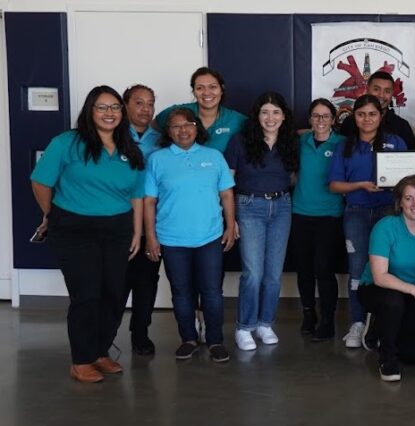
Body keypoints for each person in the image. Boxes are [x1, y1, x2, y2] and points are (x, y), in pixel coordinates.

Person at [30, 85, 146, 383]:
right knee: (87, 294)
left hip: (118, 228)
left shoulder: (128, 147)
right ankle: (81, 359)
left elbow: (136, 192)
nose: (110, 113)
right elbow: (41, 181)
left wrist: (136, 231)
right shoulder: (67, 142)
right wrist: (51, 214)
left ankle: (99, 352)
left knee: (114, 293)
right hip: (74, 229)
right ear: (89, 111)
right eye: (102, 107)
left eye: (115, 108)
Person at [143, 108, 236, 363]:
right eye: (175, 126)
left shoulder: (214, 156)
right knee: (181, 292)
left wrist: (230, 226)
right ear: (168, 131)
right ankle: (188, 338)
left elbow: (227, 194)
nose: (183, 130)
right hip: (171, 239)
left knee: (212, 292)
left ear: (197, 128)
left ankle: (215, 339)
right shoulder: (157, 160)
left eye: (188, 124)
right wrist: (150, 236)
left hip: (209, 236)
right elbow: (149, 201)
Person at [329, 94, 409, 348]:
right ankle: (357, 322)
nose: (366, 119)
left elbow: (409, 180)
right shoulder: (345, 146)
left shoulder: (396, 142)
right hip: (356, 211)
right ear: (354, 116)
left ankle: (382, 321)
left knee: (388, 268)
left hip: (389, 213)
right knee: (357, 267)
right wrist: (361, 185)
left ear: (381, 116)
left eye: (372, 114)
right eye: (361, 114)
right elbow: (334, 185)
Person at [225, 92, 299, 351]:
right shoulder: (240, 141)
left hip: (281, 206)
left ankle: (265, 323)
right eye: (265, 112)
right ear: (257, 116)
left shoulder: (290, 142)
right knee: (253, 274)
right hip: (249, 206)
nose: (270, 117)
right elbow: (227, 184)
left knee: (273, 275)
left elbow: (292, 178)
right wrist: (230, 218)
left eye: (276, 112)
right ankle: (244, 327)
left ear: (283, 116)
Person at [358, 175, 415, 381]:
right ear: (400, 201)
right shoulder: (386, 226)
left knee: (412, 356)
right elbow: (380, 277)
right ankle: (386, 357)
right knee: (393, 302)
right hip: (376, 288)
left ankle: (378, 327)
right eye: (408, 198)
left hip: (411, 294)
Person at [292, 99, 345, 342]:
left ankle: (327, 320)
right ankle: (308, 314)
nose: (321, 121)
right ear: (310, 119)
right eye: (316, 116)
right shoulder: (300, 141)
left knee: (324, 269)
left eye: (325, 116)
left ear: (334, 120)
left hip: (329, 215)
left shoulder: (342, 143)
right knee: (303, 269)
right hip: (300, 212)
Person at [118, 84, 162, 355]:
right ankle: (106, 332)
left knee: (146, 280)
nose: (145, 109)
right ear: (125, 106)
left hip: (151, 223)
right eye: (139, 103)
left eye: (150, 103)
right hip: (118, 220)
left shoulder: (161, 139)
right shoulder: (113, 135)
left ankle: (140, 332)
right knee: (116, 279)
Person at [155, 67, 246, 153]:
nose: (206, 92)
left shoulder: (237, 120)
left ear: (222, 89)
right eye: (200, 88)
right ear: (194, 92)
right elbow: (151, 130)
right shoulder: (176, 113)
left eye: (212, 87)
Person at [336, 70, 415, 151]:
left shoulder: (402, 126)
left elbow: (411, 159)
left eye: (387, 91)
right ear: (367, 90)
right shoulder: (349, 122)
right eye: (376, 89)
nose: (381, 95)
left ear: (392, 93)